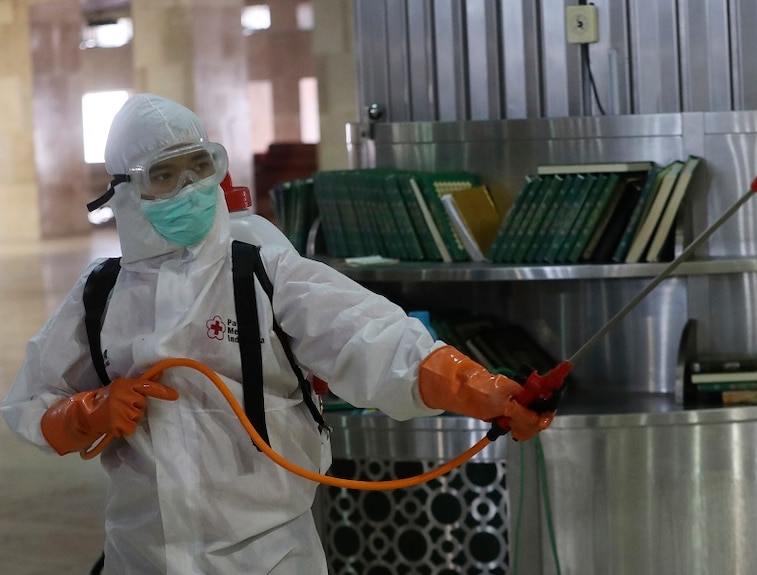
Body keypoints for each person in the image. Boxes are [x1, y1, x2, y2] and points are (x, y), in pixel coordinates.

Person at [0, 93, 554, 574]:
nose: (190, 188)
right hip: (144, 557)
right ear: (124, 191)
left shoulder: (262, 271)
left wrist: (484, 391)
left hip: (269, 557)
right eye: (165, 176)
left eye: (199, 166)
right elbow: (29, 402)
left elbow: (374, 339)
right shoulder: (101, 296)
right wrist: (87, 412)